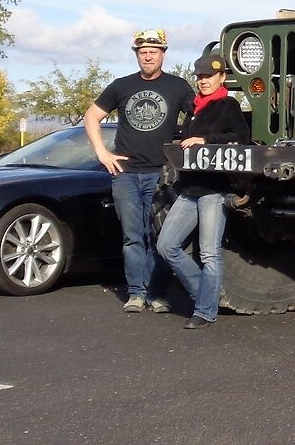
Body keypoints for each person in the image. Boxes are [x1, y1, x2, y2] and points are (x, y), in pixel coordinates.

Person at [84, 28, 194, 314]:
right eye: (143, 52)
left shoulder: (178, 87)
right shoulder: (121, 86)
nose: (148, 56)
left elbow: (198, 116)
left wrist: (194, 141)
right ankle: (136, 293)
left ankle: (157, 294)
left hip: (161, 174)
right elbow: (91, 116)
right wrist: (102, 153)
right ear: (136, 55)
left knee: (158, 237)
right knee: (132, 236)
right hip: (125, 173)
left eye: (153, 52)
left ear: (163, 54)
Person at [156, 52, 250, 330]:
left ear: (222, 77)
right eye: (199, 76)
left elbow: (242, 139)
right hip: (189, 188)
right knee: (166, 245)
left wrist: (205, 140)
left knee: (209, 252)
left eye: (209, 76)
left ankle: (205, 311)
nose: (203, 81)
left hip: (214, 189)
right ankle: (204, 294)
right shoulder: (194, 108)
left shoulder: (227, 105)